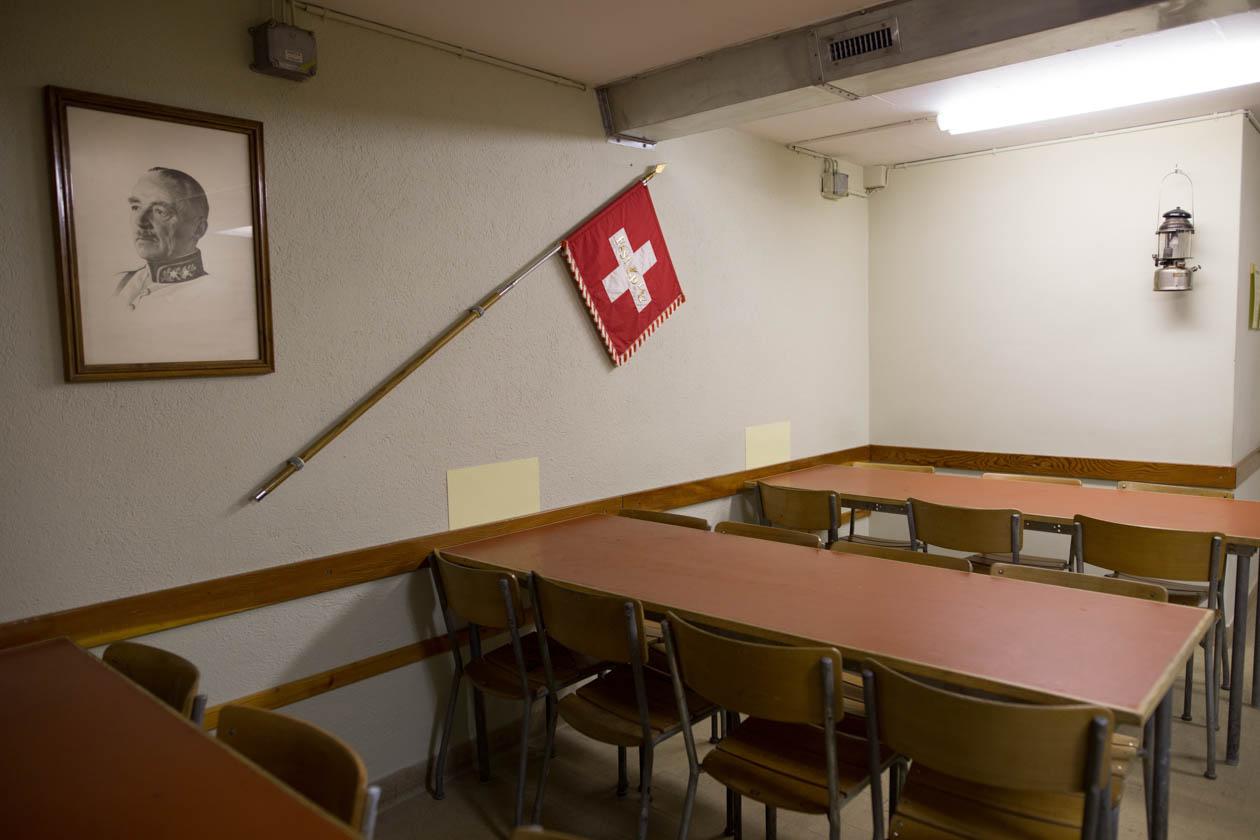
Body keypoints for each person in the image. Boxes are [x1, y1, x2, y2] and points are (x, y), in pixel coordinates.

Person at [115, 167, 212, 309]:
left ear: (199, 229)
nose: (140, 222)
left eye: (160, 211)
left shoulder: (210, 297)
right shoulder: (119, 283)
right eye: (136, 207)